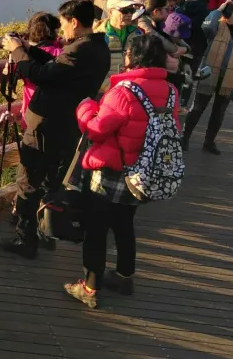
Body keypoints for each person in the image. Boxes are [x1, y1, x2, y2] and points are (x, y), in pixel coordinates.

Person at [67, 35, 179, 309]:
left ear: (133, 57)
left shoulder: (123, 91)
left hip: (111, 172)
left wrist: (85, 107)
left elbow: (96, 129)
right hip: (143, 171)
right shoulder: (170, 91)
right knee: (124, 224)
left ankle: (90, 287)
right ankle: (124, 277)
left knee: (96, 230)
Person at [0, 0, 111, 259]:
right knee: (50, 181)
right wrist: (30, 49)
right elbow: (57, 69)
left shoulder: (78, 50)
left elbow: (41, 76)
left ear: (74, 22)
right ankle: (45, 231)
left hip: (46, 126)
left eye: (63, 23)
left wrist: (18, 51)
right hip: (67, 126)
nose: (61, 29)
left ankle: (26, 239)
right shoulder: (97, 47)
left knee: (28, 181)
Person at [183, 4, 233, 155]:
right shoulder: (216, 27)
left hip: (231, 75)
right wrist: (217, 11)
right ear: (225, 17)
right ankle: (185, 137)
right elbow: (206, 27)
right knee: (198, 107)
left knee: (219, 111)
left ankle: (209, 141)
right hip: (210, 72)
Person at [19, 13, 65, 120]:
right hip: (57, 113)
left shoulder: (26, 55)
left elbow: (13, 71)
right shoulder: (62, 53)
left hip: (31, 111)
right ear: (53, 32)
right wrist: (59, 42)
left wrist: (16, 49)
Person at [101, 0, 142, 90]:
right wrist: (112, 89)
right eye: (124, 10)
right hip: (105, 93)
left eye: (131, 10)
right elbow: (93, 69)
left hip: (131, 91)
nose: (129, 14)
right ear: (110, 12)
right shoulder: (99, 35)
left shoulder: (138, 35)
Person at [182, 0, 212, 73]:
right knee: (191, 72)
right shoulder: (207, 14)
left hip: (181, 44)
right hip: (198, 47)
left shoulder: (183, 7)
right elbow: (209, 30)